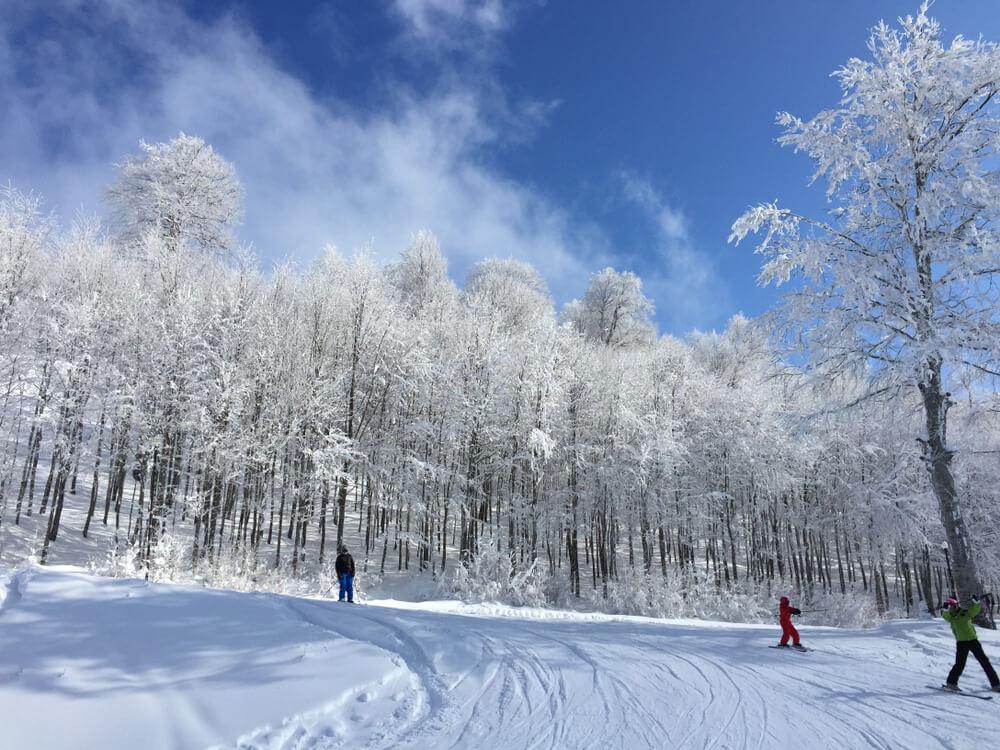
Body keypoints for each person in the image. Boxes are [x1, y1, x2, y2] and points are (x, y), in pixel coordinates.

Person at [942, 595, 1000, 692]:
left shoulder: (965, 612)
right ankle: (951, 683)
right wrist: (945, 609)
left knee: (985, 662)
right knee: (960, 664)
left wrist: (976, 602)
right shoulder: (951, 616)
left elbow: (975, 610)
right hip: (961, 643)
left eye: (953, 604)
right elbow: (945, 616)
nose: (952, 607)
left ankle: (996, 685)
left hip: (973, 641)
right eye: (950, 605)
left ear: (957, 604)